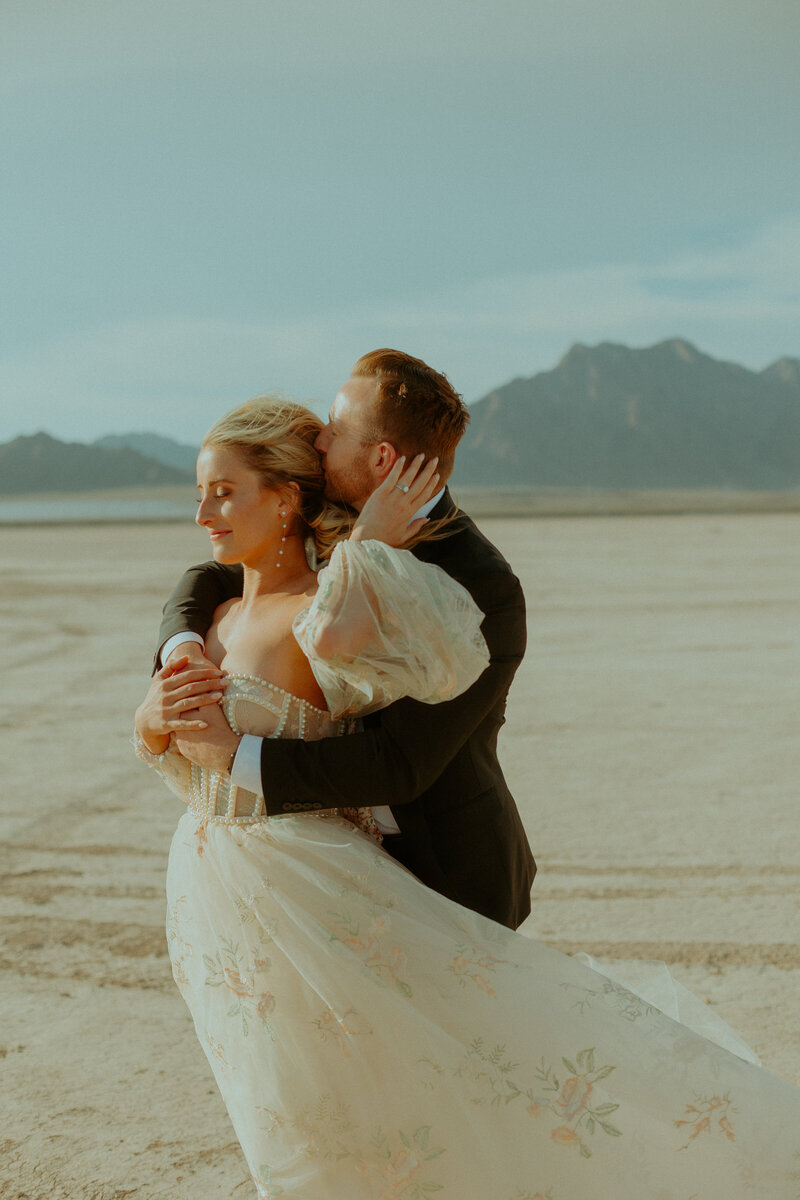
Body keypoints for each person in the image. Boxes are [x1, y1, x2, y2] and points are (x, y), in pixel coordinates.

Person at [135, 396, 800, 1200]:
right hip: (216, 898)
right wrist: (154, 708)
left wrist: (364, 557)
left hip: (345, 877)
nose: (204, 510)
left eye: (224, 491)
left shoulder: (435, 595)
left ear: (298, 494)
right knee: (279, 1094)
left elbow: (396, 761)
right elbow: (205, 590)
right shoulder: (218, 602)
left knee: (407, 1089)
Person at [155, 350, 535, 929]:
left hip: (445, 877)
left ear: (381, 456)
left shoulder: (481, 586)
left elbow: (399, 764)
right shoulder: (334, 515)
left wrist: (234, 756)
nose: (321, 441)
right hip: (318, 868)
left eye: (335, 428)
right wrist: (180, 646)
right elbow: (212, 575)